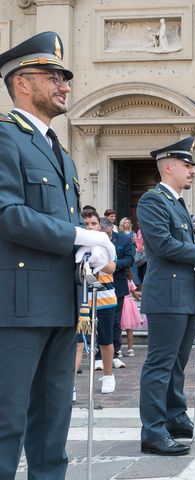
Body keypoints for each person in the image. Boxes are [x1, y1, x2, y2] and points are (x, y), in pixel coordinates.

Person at [0, 31, 116, 479]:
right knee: (7, 420)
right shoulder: (7, 138)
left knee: (52, 422)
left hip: (61, 301)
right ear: (22, 82)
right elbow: (7, 214)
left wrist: (81, 254)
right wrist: (76, 238)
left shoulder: (60, 154)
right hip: (17, 304)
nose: (65, 84)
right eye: (54, 76)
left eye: (65, 77)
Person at [137, 136, 195, 456]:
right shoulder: (152, 200)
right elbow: (163, 245)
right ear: (168, 167)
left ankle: (175, 416)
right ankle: (153, 430)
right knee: (160, 364)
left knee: (177, 363)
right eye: (187, 165)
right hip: (166, 294)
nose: (192, 171)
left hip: (184, 293)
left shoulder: (176, 203)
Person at [82, 212, 119, 393]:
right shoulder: (77, 244)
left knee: (105, 340)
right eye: (86, 223)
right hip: (82, 300)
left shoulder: (107, 245)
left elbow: (113, 267)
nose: (89, 227)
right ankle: (70, 385)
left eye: (93, 223)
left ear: (99, 225)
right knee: (78, 343)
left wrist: (97, 259)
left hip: (105, 298)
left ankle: (108, 376)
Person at [111, 219, 135, 360]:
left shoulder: (123, 239)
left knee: (116, 320)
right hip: (98, 285)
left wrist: (113, 265)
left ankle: (115, 350)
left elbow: (130, 259)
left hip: (118, 284)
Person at [120, 269, 143, 357]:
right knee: (129, 330)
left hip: (121, 303)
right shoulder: (130, 281)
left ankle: (118, 349)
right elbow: (134, 294)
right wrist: (139, 298)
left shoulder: (118, 281)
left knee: (118, 328)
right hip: (129, 305)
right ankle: (130, 349)